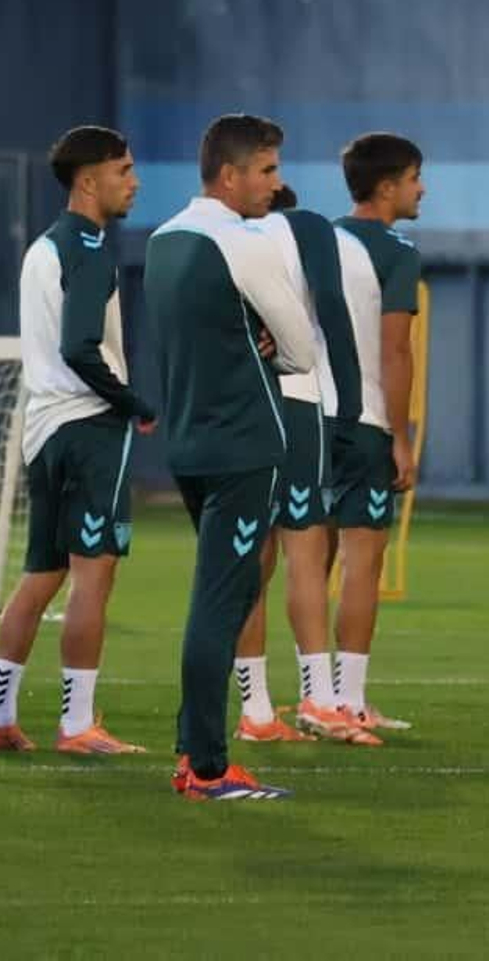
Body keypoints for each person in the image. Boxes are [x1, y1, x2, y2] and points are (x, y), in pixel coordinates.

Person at [146, 113, 315, 800]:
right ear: (230, 174)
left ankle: (193, 749)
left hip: (188, 444)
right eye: (267, 170)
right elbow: (302, 349)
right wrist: (270, 347)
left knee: (234, 590)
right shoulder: (243, 243)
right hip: (244, 444)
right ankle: (209, 768)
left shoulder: (161, 240)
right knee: (222, 601)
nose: (276, 185)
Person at [0, 126, 154, 755]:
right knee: (93, 577)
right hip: (90, 427)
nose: (133, 182)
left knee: (40, 575)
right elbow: (81, 347)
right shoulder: (91, 251)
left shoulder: (43, 249)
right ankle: (78, 725)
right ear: (88, 180)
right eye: (123, 170)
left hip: (43, 429)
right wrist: (134, 403)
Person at [228, 183, 374, 744]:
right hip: (296, 399)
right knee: (305, 552)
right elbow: (332, 309)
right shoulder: (307, 227)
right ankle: (319, 698)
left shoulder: (221, 238)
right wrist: (353, 405)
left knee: (250, 561)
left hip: (239, 408)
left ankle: (258, 710)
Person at [327, 132, 425, 735]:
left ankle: (308, 694)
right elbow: (395, 350)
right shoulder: (396, 250)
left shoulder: (316, 241)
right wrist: (400, 435)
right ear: (387, 187)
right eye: (416, 177)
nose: (422, 188)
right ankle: (351, 700)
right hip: (364, 423)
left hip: (308, 421)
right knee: (362, 563)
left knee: (306, 562)